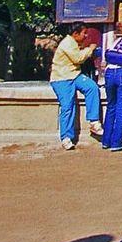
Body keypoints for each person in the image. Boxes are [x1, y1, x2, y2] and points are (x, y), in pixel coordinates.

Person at [49, 22, 102, 150]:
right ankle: (66, 137)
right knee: (67, 106)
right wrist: (90, 49)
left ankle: (93, 121)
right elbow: (78, 58)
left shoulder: (74, 43)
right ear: (75, 34)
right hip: (62, 78)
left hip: (75, 75)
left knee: (92, 87)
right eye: (84, 33)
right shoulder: (67, 43)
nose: (85, 36)